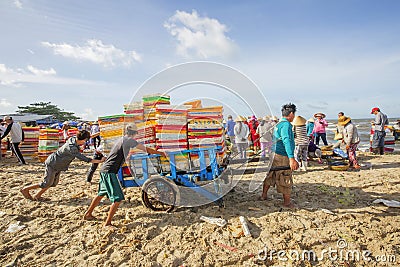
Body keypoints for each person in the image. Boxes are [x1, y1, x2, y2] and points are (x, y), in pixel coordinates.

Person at [84, 124, 166, 228]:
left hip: (104, 169)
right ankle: (108, 223)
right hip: (110, 171)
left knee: (101, 194)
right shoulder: (130, 140)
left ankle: (88, 214)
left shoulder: (121, 139)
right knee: (118, 199)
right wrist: (161, 153)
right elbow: (146, 149)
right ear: (135, 133)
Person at [20, 130, 104, 201]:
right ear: (84, 139)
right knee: (46, 183)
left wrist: (100, 132)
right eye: (86, 140)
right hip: (53, 163)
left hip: (59, 164)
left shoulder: (73, 139)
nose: (85, 142)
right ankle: (25, 189)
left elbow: (84, 137)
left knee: (53, 183)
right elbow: (85, 159)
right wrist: (100, 161)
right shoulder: (72, 148)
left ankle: (37, 196)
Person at [262, 103, 299, 208]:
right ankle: (287, 202)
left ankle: (264, 195)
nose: (294, 116)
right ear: (291, 114)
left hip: (274, 153)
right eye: (294, 114)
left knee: (271, 174)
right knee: (285, 176)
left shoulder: (278, 124)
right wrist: (291, 158)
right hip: (282, 155)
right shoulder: (286, 125)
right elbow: (286, 141)